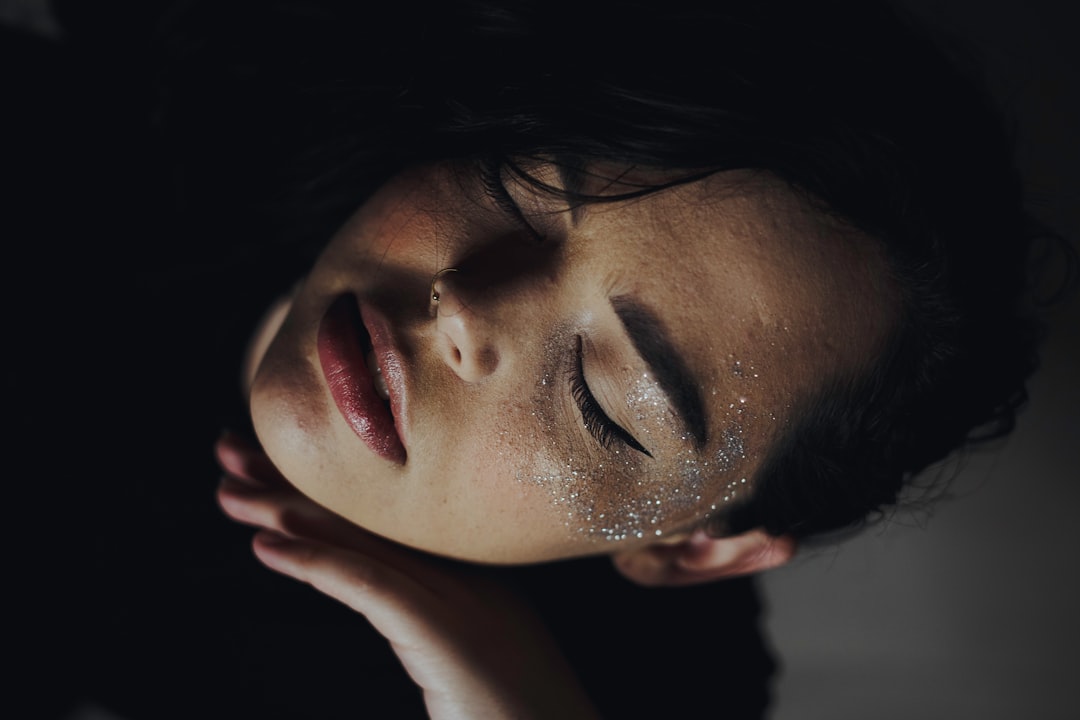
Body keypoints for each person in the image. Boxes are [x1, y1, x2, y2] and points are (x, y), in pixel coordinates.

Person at [143, 0, 1066, 716]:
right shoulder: (158, 99)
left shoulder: (648, 702)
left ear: (699, 547)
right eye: (513, 189)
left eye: (600, 396)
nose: (463, 305)